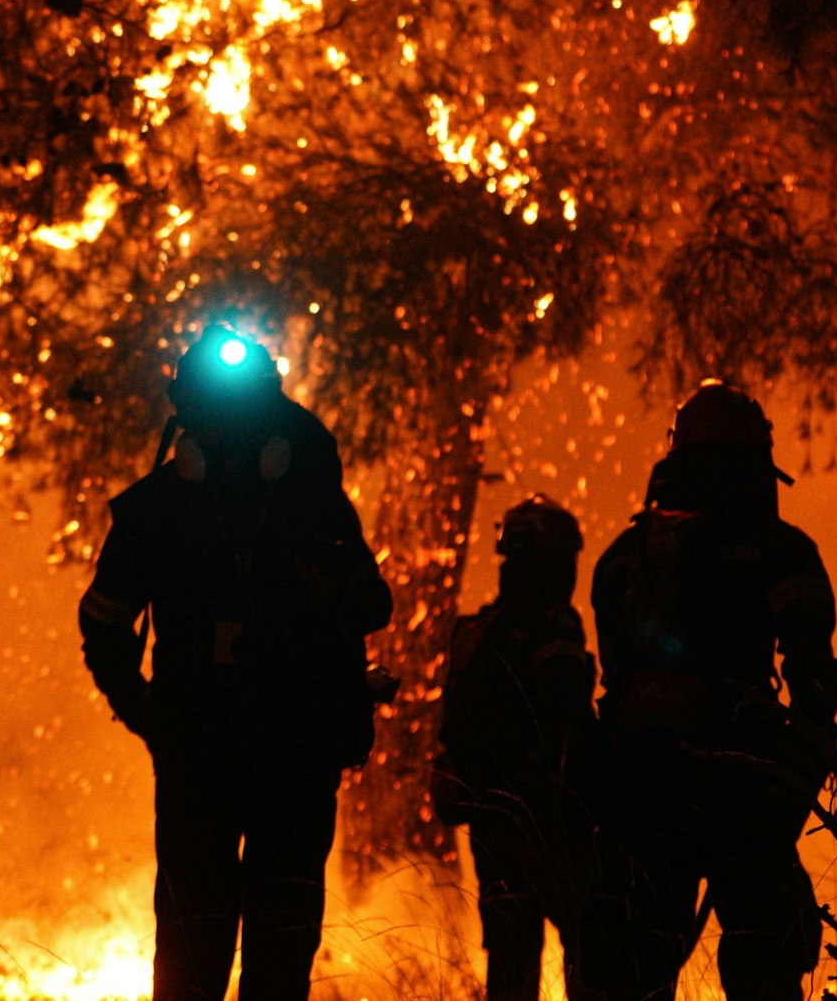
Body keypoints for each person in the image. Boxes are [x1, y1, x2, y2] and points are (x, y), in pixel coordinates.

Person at [77, 325, 392, 1001]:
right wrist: (148, 716)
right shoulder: (160, 510)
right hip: (220, 751)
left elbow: (372, 603)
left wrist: (324, 581)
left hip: (280, 751)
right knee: (200, 941)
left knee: (269, 944)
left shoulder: (309, 502)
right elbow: (103, 622)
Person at [575, 381, 837, 1001]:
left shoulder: (625, 556)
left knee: (632, 969)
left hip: (638, 787)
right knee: (766, 957)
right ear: (756, 456)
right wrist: (791, 782)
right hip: (741, 787)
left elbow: (613, 675)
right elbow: (814, 678)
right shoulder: (781, 551)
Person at [432, 495, 598, 1001]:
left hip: (492, 822)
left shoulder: (476, 632)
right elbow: (568, 720)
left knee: (511, 963)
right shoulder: (556, 629)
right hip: (553, 819)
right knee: (590, 947)